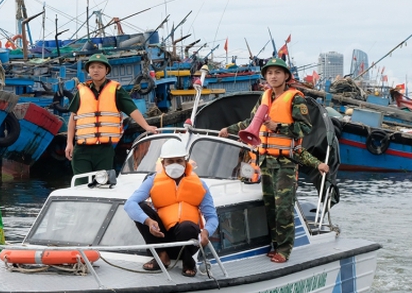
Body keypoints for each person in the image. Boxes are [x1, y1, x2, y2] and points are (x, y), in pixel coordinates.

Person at [218, 57, 330, 264]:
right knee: (269, 207)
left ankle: (284, 250)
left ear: (286, 76)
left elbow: (305, 128)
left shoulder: (296, 98)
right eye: (269, 73)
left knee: (283, 208)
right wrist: (229, 130)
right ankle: (275, 245)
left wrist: (277, 127)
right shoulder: (265, 97)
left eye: (278, 72)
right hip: (265, 162)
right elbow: (251, 123)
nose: (273, 76)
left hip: (285, 164)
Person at [124, 138, 218, 277]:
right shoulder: (153, 180)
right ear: (163, 163)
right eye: (170, 161)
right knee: (142, 207)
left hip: (187, 240)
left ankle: (188, 261)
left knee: (187, 226)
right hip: (161, 237)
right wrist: (148, 221)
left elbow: (212, 217)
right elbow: (130, 204)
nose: (175, 165)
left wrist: (206, 232)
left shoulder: (200, 185)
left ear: (185, 162)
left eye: (179, 161)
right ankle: (162, 256)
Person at [64, 53, 158, 174]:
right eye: (92, 67)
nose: (96, 70)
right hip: (82, 149)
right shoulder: (82, 91)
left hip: (104, 149)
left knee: (102, 185)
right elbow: (73, 118)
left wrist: (147, 127)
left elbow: (132, 110)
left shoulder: (116, 90)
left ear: (106, 70)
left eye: (100, 67)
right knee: (81, 185)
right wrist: (69, 143)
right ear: (88, 71)